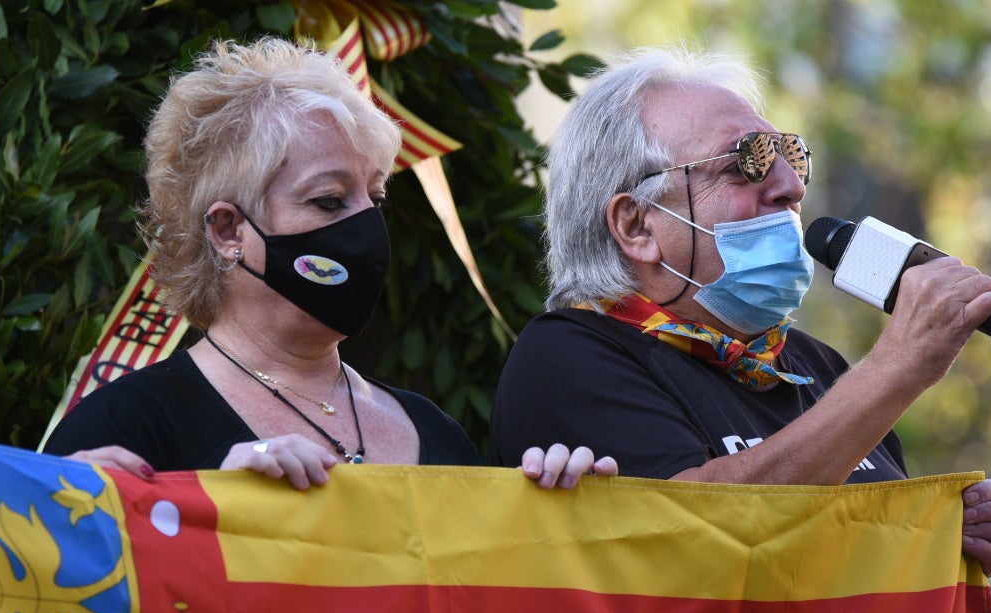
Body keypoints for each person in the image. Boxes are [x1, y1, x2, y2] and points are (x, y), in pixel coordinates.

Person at [490, 46, 991, 573]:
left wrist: (930, 532)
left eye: (791, 155)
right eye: (747, 162)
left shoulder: (820, 368)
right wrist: (900, 364)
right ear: (637, 225)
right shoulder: (566, 355)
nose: (792, 185)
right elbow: (698, 534)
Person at [44, 37, 614, 491]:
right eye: (329, 201)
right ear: (228, 230)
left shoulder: (434, 433)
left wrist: (558, 512)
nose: (367, 226)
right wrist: (213, 507)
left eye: (376, 197)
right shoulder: (124, 430)